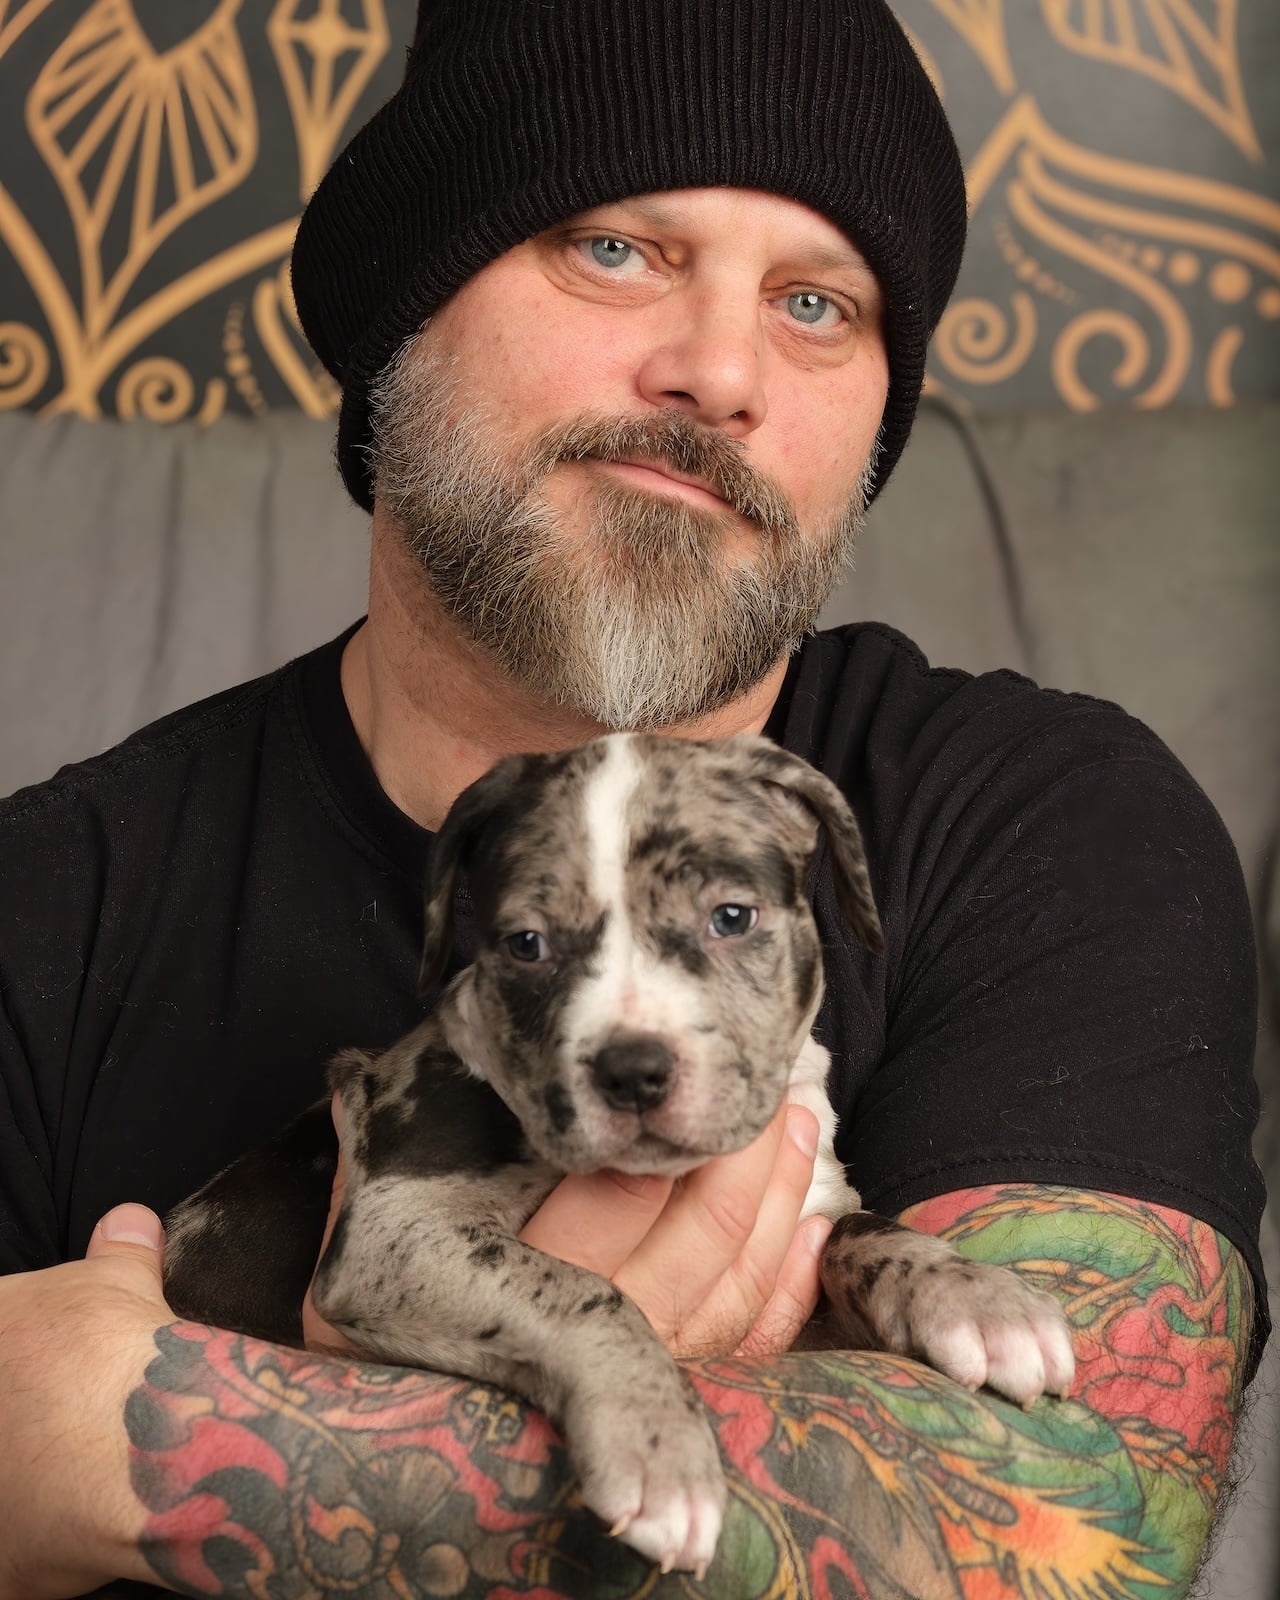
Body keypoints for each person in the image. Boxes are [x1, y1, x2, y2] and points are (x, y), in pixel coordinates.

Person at [0, 0, 1266, 1594]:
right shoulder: (49, 902)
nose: (721, 371)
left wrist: (91, 1433)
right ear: (405, 309)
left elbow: (1082, 1526)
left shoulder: (1040, 822)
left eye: (817, 302)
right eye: (617, 249)